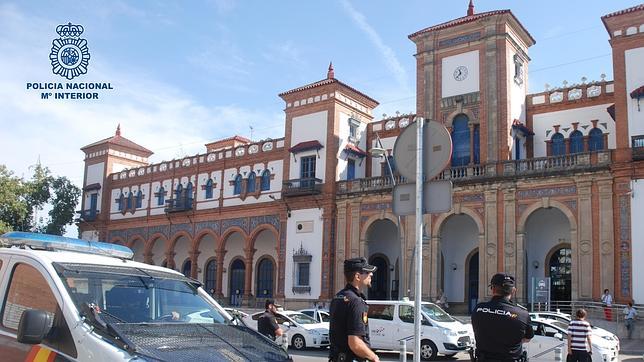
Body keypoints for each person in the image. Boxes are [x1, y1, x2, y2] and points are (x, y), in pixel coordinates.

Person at [471, 273, 533, 361]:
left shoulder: (478, 309)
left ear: (492, 289)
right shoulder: (523, 314)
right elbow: (528, 338)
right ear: (513, 291)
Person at [329, 257, 380, 362]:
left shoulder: (338, 297)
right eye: (367, 272)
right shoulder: (356, 302)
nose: (371, 274)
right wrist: (374, 358)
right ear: (357, 276)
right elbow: (355, 343)